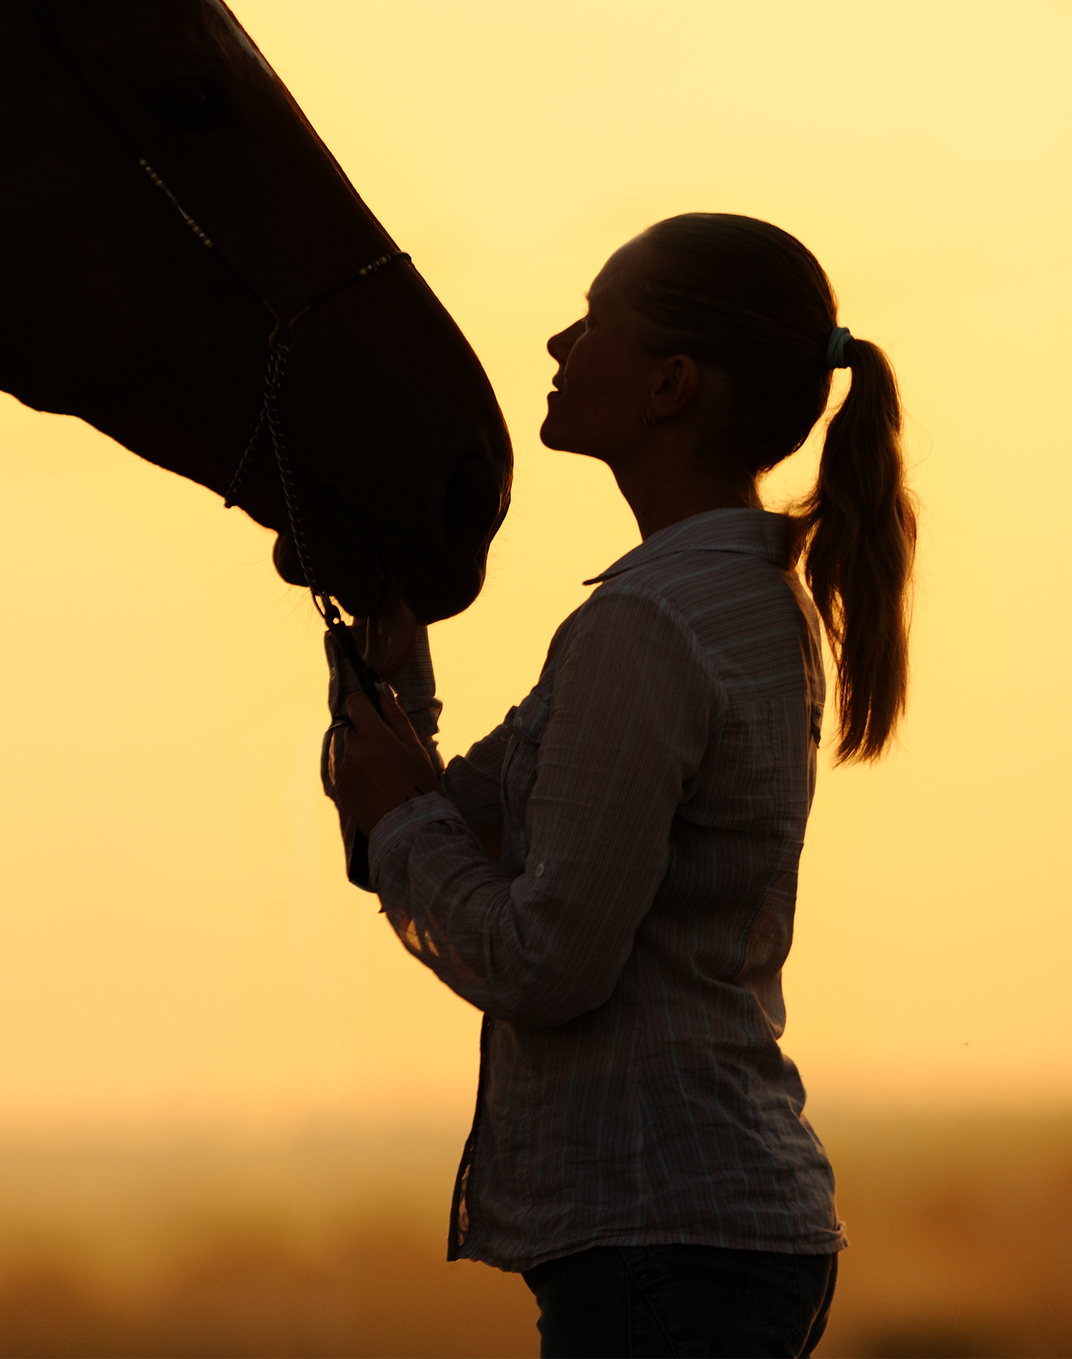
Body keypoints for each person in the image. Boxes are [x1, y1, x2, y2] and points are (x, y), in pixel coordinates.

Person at [324, 213, 915, 1359]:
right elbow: (454, 832)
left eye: (594, 319)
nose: (557, 341)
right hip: (705, 1237)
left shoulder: (645, 626)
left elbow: (542, 956)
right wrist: (397, 682)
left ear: (669, 386)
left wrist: (398, 813)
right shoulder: (735, 600)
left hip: (665, 1246)